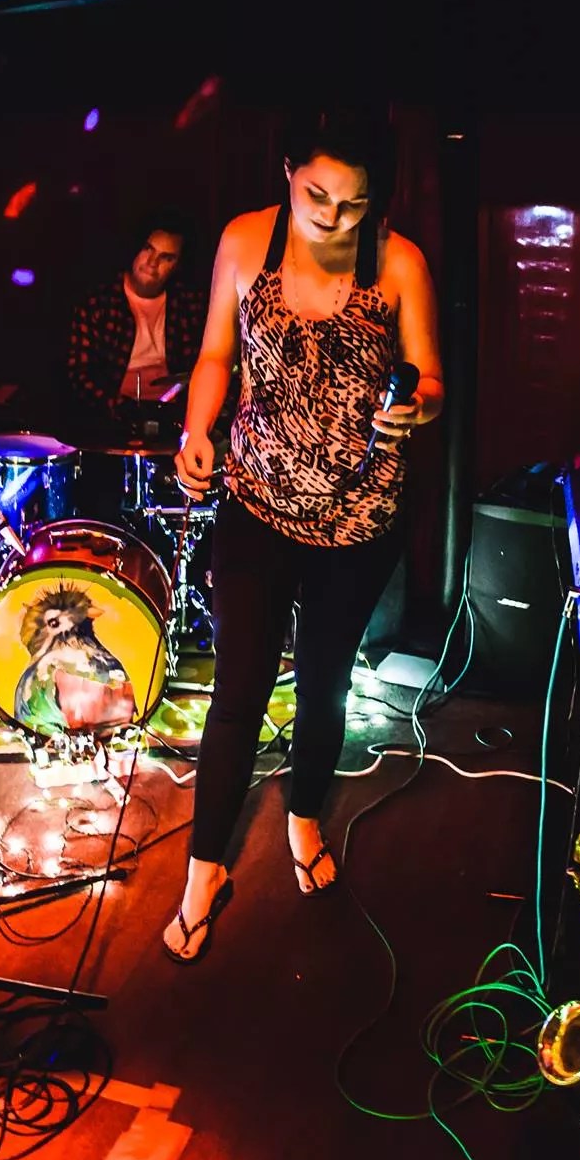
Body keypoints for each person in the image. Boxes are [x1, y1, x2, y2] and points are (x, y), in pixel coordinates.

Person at [161, 108, 443, 963]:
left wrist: (417, 406)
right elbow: (215, 354)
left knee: (324, 687)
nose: (332, 216)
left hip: (358, 520)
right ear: (287, 170)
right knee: (238, 689)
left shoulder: (399, 261)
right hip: (255, 503)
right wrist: (197, 429)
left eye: (354, 203)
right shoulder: (246, 241)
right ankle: (203, 871)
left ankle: (305, 815)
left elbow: (432, 377)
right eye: (318, 195)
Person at [65, 209, 207, 419]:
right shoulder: (99, 303)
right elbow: (79, 374)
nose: (153, 262)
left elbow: (204, 367)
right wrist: (121, 408)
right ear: (135, 248)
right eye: (148, 249)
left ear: (177, 265)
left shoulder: (190, 304)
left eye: (166, 257)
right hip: (110, 418)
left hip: (173, 417)